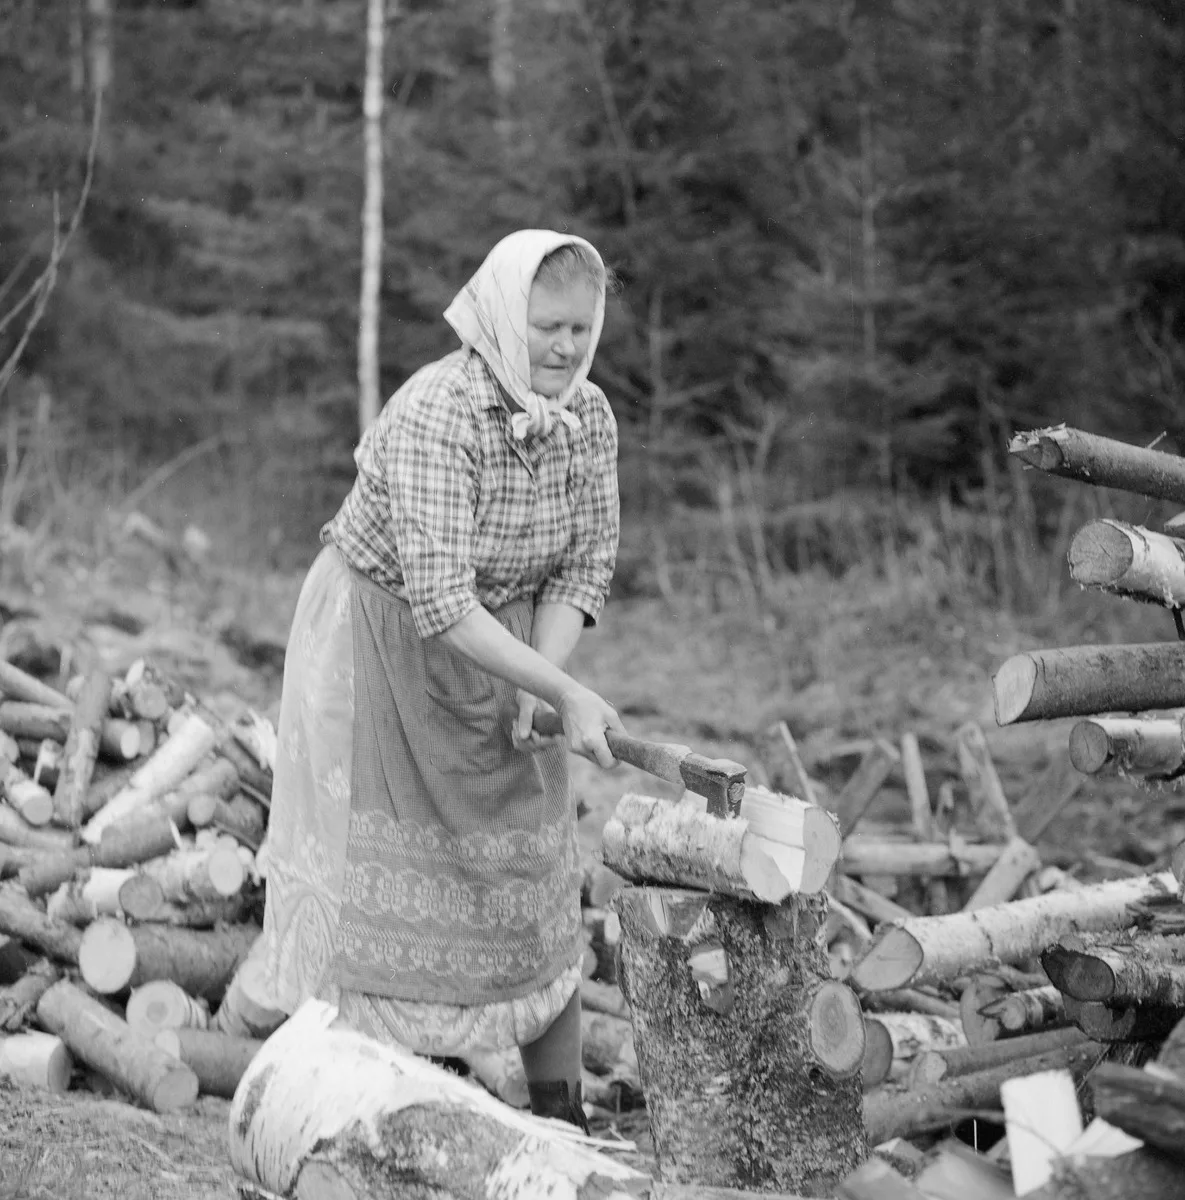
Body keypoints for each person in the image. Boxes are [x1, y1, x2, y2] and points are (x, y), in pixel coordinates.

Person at [257, 229, 625, 1133]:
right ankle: (368, 1122)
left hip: (499, 643)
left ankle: (559, 1125)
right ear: (504, 315)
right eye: (547, 326)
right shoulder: (439, 410)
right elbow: (439, 600)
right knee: (385, 894)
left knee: (535, 868)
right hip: (379, 643)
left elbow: (582, 570)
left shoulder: (590, 418)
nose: (565, 348)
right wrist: (565, 694)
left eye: (580, 328)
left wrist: (547, 687)